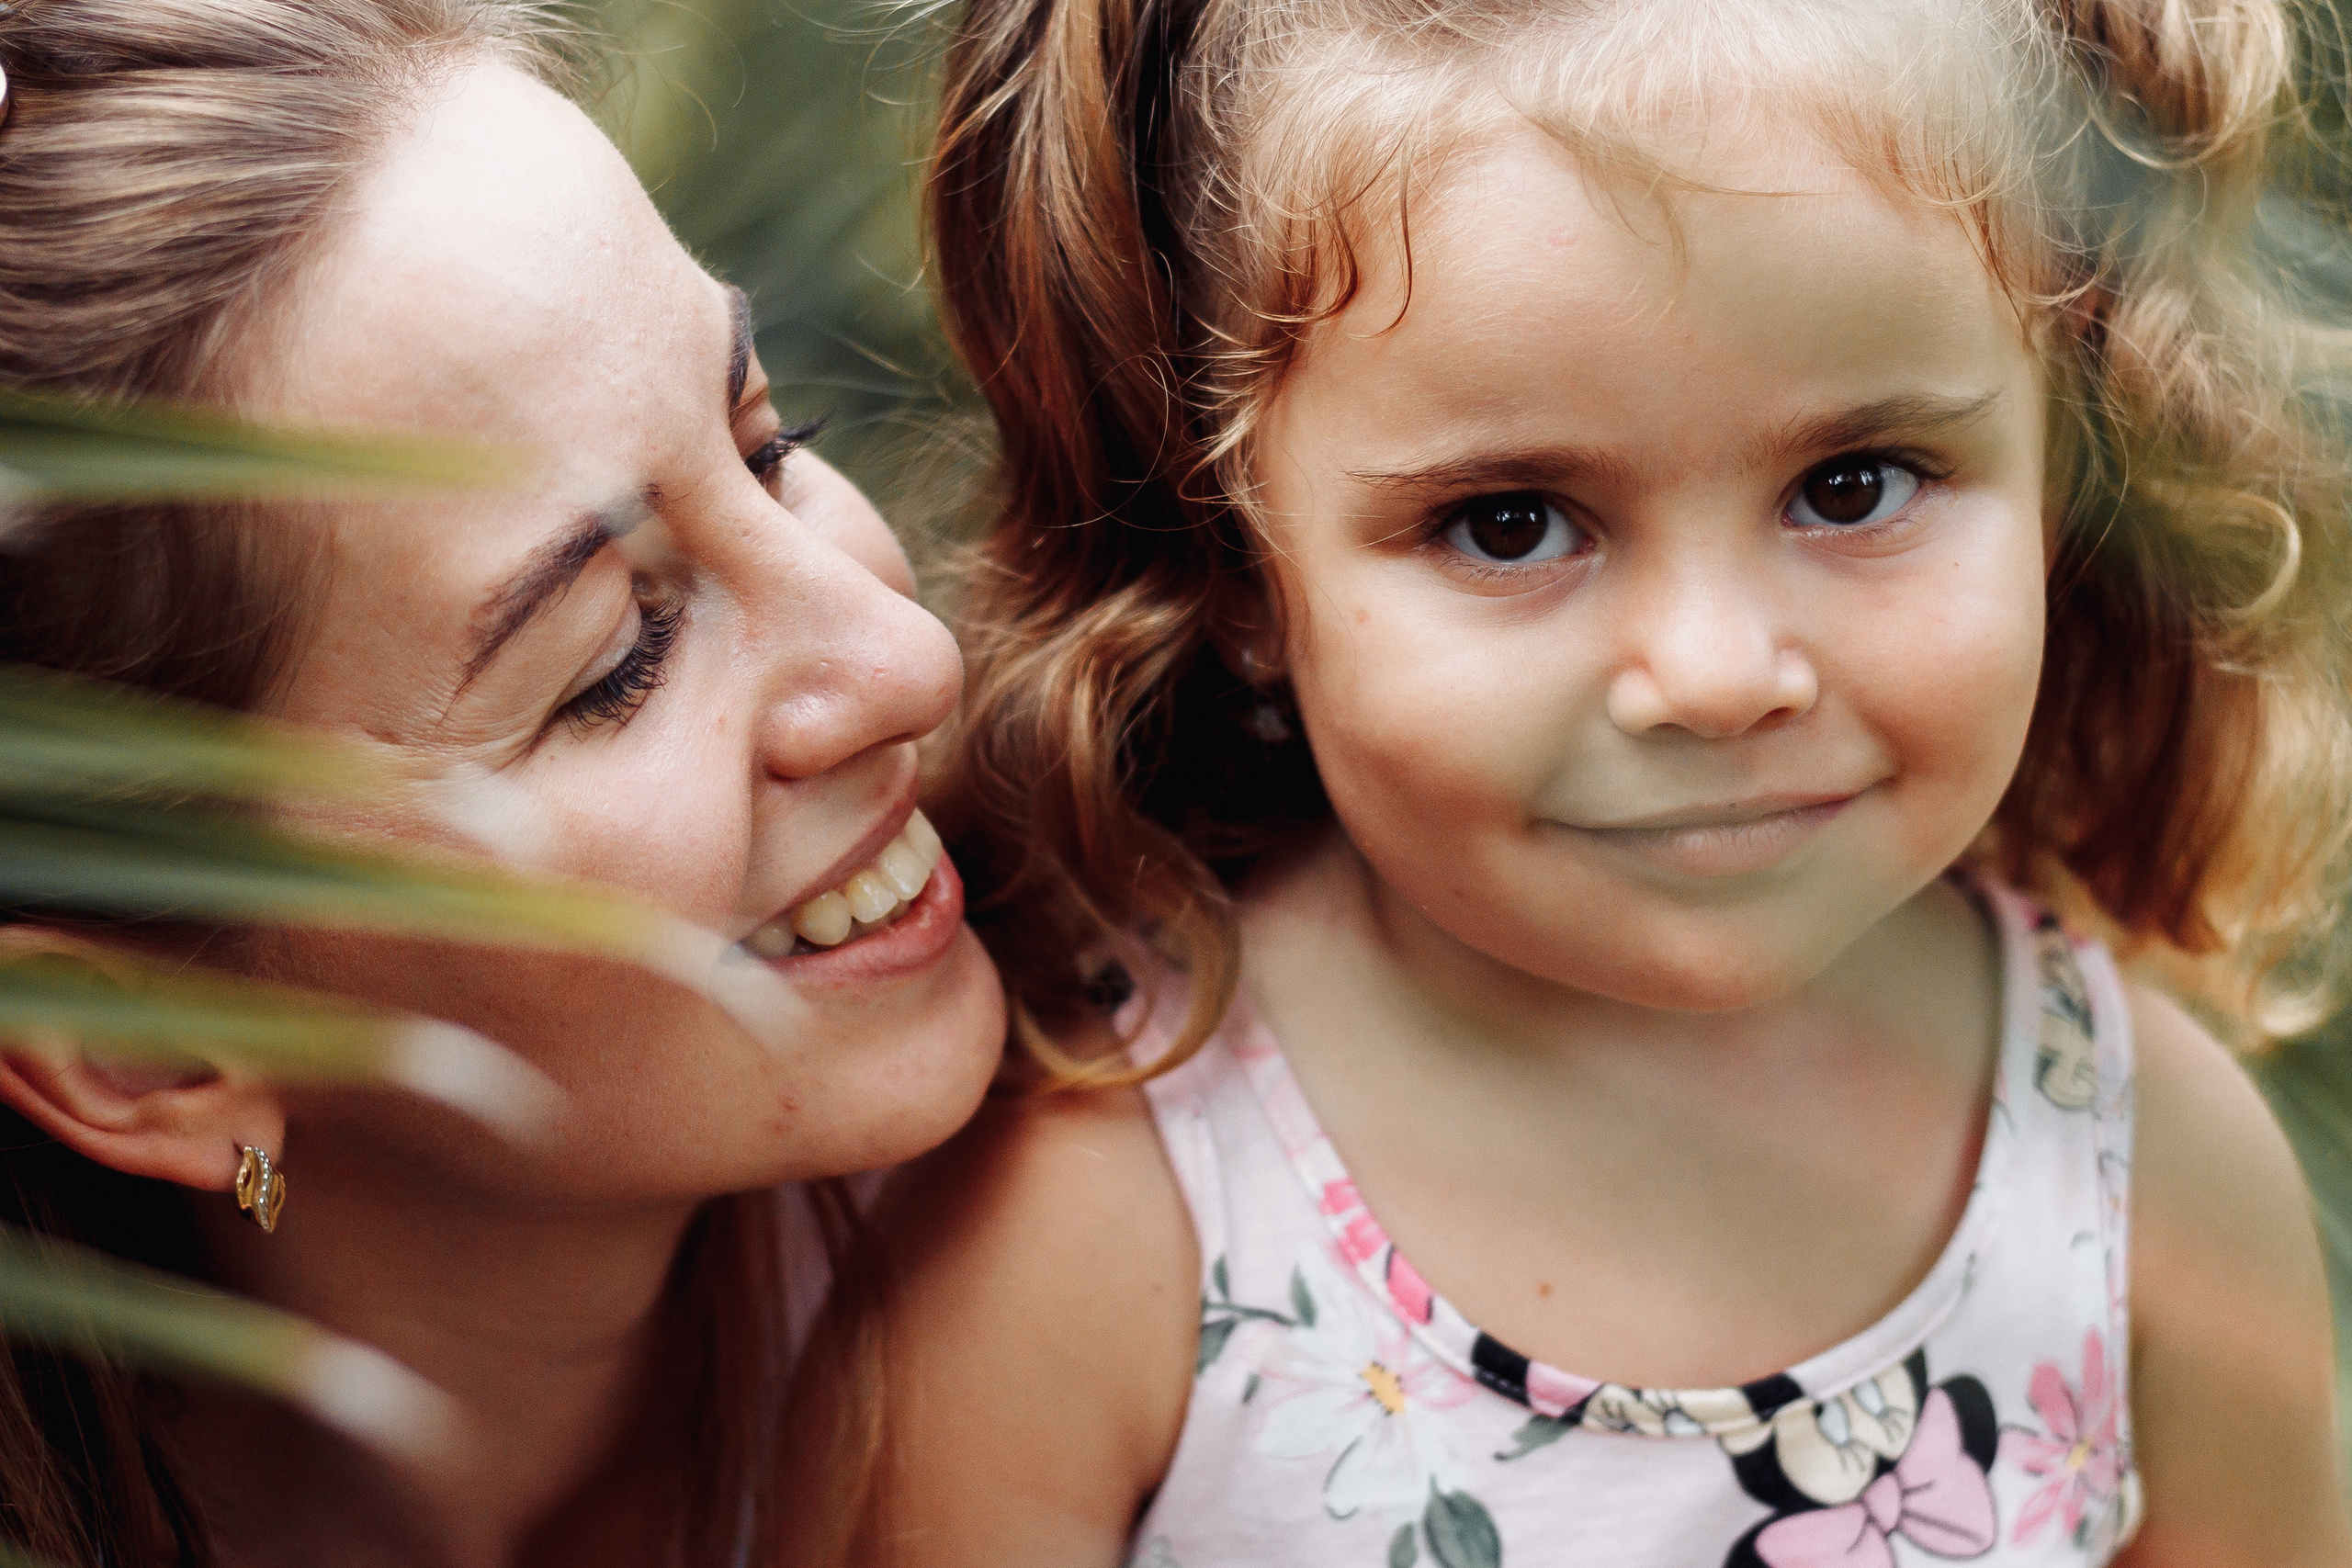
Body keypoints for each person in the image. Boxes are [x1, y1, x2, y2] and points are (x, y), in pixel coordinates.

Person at [822, 0, 2352, 1562]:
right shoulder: (1098, 1225)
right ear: (1241, 569)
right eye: (1509, 523)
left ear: (2061, 473)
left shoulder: (2146, 1173)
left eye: (1854, 484)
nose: (1711, 672)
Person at [0, 3, 1003, 1564]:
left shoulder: (1241, 1235)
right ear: (141, 1054)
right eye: (616, 660)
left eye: (767, 439)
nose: (907, 657)